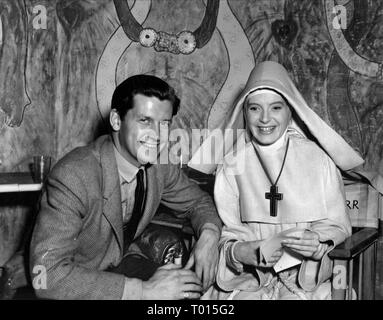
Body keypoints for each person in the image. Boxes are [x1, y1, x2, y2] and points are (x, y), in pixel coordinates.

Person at [30, 75, 222, 300]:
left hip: (118, 265)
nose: (157, 135)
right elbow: (46, 277)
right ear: (116, 120)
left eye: (165, 123)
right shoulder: (74, 176)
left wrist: (209, 235)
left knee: (190, 294)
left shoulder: (159, 166)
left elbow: (199, 201)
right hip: (73, 283)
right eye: (145, 121)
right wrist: (143, 291)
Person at [189, 61, 364, 300]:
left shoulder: (319, 160)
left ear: (290, 110)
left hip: (304, 279)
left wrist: (317, 244)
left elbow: (337, 227)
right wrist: (240, 251)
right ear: (244, 111)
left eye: (275, 108)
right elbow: (229, 233)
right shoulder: (231, 165)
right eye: (254, 108)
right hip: (251, 278)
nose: (264, 119)